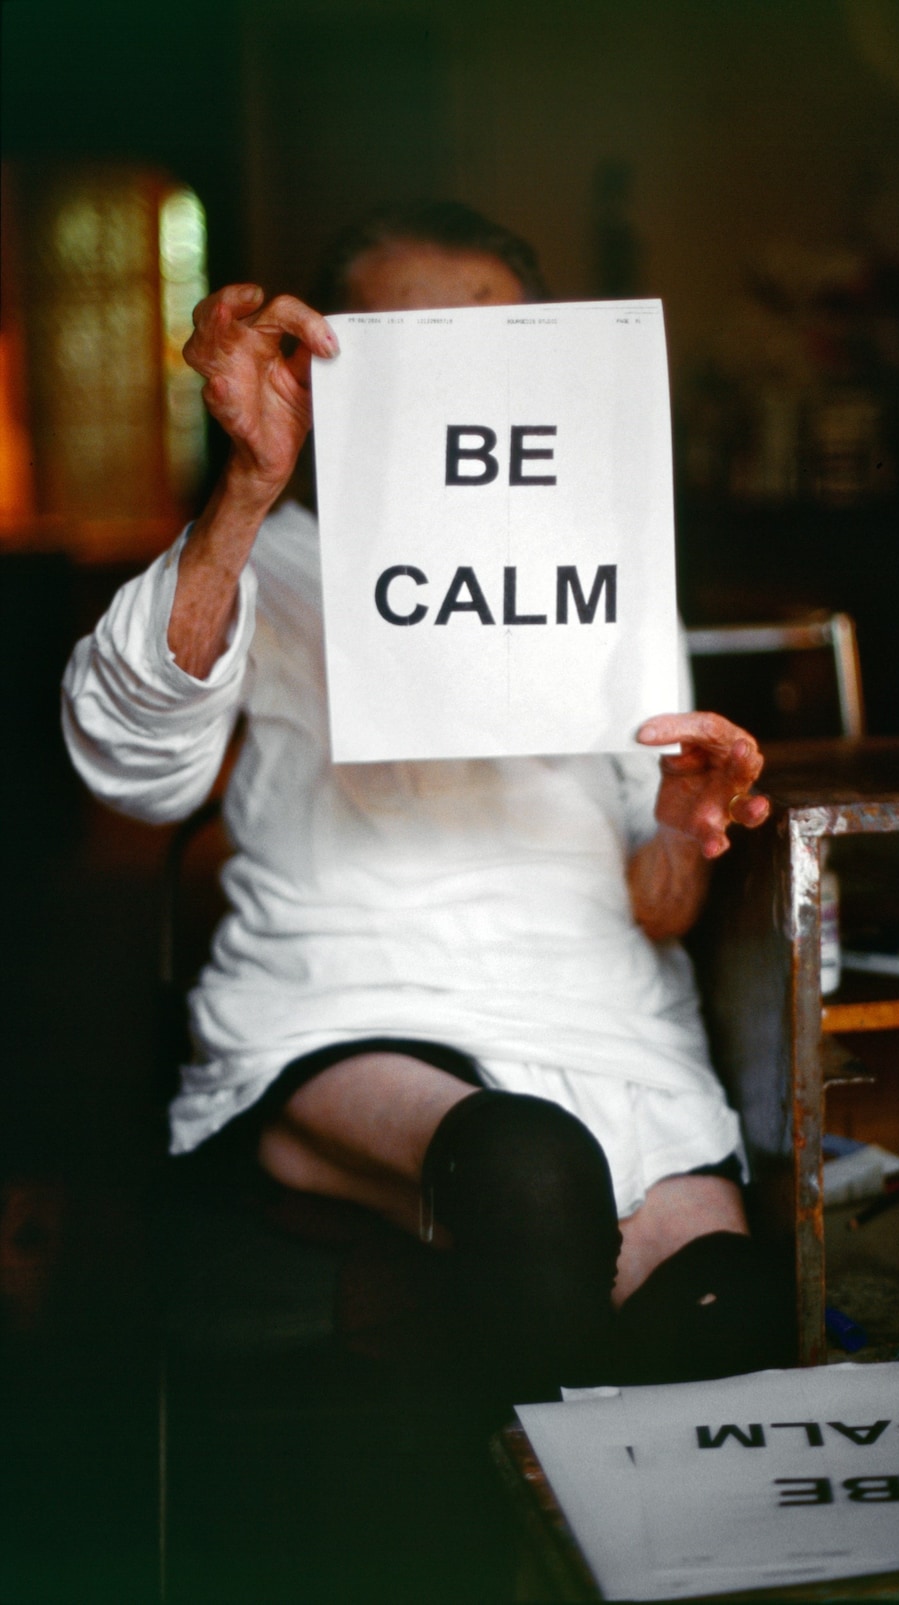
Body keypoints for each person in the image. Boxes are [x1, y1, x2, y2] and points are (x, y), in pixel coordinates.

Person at [62, 201, 792, 1411]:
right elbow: (134, 767)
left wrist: (682, 823)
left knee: (731, 1315)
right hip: (350, 995)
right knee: (528, 1179)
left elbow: (661, 908)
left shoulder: (602, 572)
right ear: (327, 368)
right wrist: (248, 487)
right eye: (416, 348)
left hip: (595, 1010)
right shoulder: (266, 559)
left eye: (489, 346)